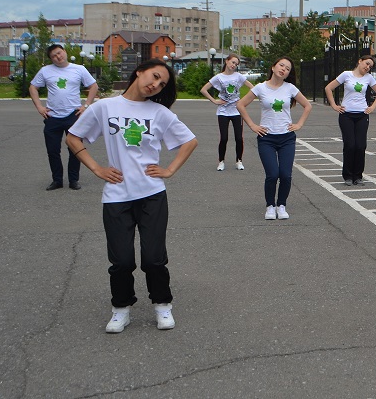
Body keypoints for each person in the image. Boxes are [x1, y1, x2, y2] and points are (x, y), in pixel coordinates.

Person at [66, 59, 198, 333]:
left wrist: (170, 170)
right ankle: (121, 309)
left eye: (161, 84)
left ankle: (162, 305)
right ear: (140, 71)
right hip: (116, 196)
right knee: (122, 261)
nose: (155, 85)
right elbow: (73, 137)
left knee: (153, 258)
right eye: (154, 76)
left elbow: (189, 141)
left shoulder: (159, 113)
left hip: (152, 194)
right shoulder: (105, 107)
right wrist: (96, 169)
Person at [237, 57, 313, 220]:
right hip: (266, 138)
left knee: (285, 174)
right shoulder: (260, 88)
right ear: (273, 67)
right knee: (272, 174)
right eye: (281, 65)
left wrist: (299, 124)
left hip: (287, 138)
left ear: (288, 74)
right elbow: (240, 105)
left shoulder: (290, 88)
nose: (283, 69)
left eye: (287, 68)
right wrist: (252, 125)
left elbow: (307, 105)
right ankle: (270, 206)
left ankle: (281, 205)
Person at [29, 43, 99, 191]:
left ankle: (74, 180)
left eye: (59, 53)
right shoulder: (45, 71)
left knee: (75, 149)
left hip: (73, 115)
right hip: (52, 117)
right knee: (53, 151)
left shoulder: (79, 69)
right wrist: (39, 107)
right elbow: (33, 87)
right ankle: (57, 180)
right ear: (51, 59)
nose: (58, 57)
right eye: (54, 56)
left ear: (64, 52)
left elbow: (93, 86)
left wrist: (86, 106)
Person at [324, 55, 376, 186]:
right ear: (360, 61)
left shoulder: (368, 78)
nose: (367, 67)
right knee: (350, 145)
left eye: (370, 66)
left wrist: (372, 107)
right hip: (346, 114)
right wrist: (334, 105)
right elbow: (328, 88)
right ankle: (348, 176)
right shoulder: (346, 75)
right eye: (366, 64)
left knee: (360, 145)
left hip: (362, 114)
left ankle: (358, 176)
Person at [200, 53, 250, 171]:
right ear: (227, 61)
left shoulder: (238, 76)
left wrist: (242, 102)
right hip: (223, 112)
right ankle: (221, 161)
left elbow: (253, 88)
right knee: (224, 138)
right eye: (233, 62)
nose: (234, 65)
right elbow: (203, 89)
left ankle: (239, 161)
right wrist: (214, 101)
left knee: (239, 138)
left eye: (236, 64)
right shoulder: (219, 77)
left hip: (236, 111)